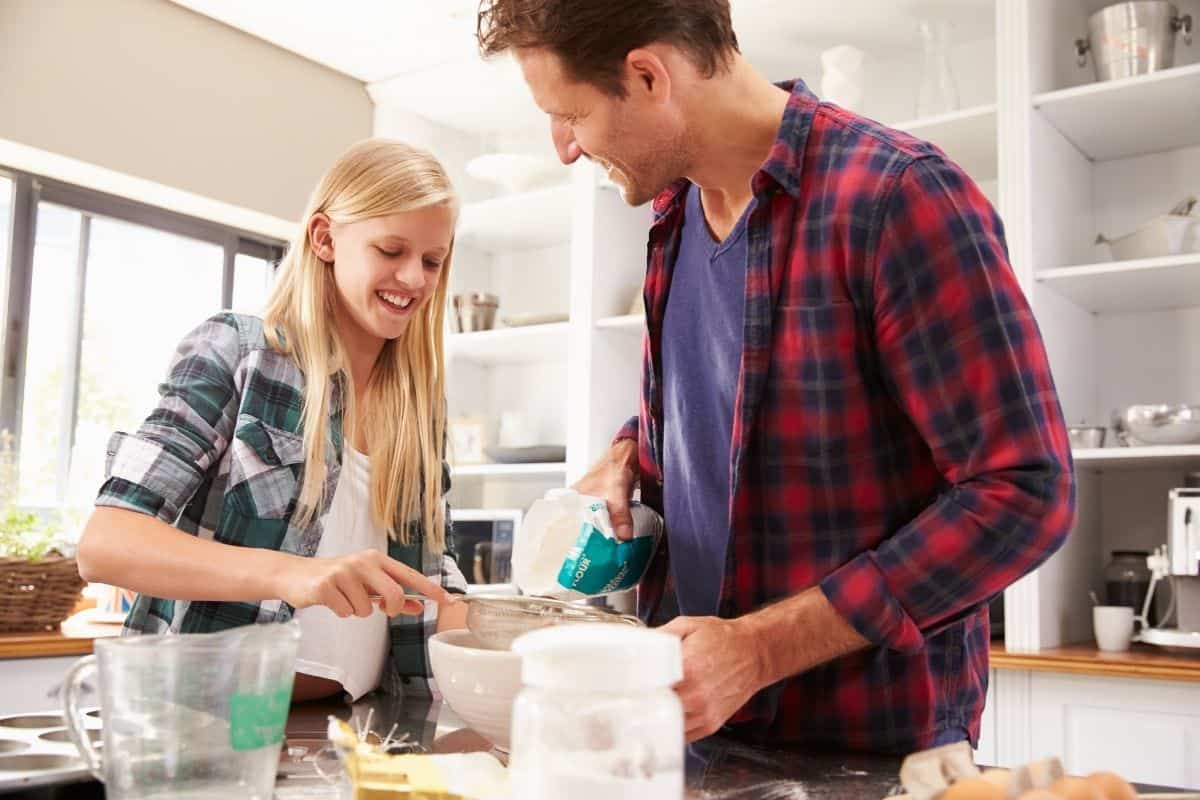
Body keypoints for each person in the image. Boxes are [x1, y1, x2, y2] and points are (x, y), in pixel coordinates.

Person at [478, 0, 1076, 752]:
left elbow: (1025, 492)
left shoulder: (897, 197)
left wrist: (761, 650)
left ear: (647, 75)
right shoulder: (674, 218)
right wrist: (632, 449)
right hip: (689, 735)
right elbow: (733, 407)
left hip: (867, 752)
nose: (564, 147)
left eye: (570, 114)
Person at [76, 138, 469, 703]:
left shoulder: (418, 409)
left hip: (358, 732)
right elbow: (108, 543)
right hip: (209, 724)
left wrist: (526, 633)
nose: (413, 278)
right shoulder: (239, 351)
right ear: (325, 238)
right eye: (391, 250)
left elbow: (435, 586)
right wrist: (293, 573)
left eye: (433, 261)